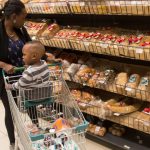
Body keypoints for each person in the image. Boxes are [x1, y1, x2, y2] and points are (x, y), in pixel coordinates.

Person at [0, 0, 30, 149]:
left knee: (31, 106)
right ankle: (13, 143)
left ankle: (34, 136)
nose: (25, 20)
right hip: (6, 80)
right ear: (13, 16)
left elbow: (30, 47)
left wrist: (45, 56)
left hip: (25, 77)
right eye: (23, 16)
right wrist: (3, 64)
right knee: (11, 110)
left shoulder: (22, 30)